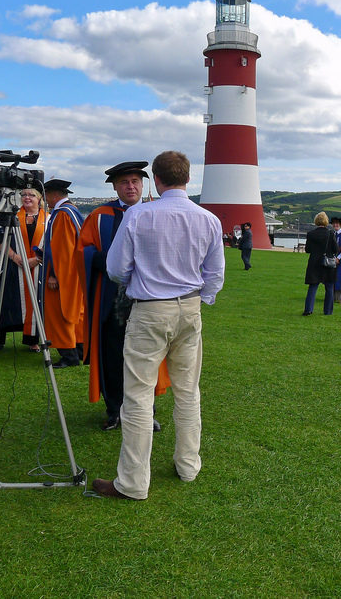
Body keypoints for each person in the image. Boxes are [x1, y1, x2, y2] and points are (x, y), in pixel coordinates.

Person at [94, 151, 225, 501]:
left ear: (157, 178)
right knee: (187, 390)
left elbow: (116, 268)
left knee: (137, 395)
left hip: (151, 309)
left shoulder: (138, 215)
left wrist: (142, 278)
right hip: (189, 308)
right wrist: (200, 299)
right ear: (186, 177)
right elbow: (215, 275)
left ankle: (134, 482)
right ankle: (188, 464)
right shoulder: (208, 219)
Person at [79, 161, 171, 431]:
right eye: (124, 182)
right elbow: (81, 252)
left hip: (147, 301)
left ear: (143, 185)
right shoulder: (100, 216)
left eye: (135, 182)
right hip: (110, 302)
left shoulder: (155, 212)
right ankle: (115, 410)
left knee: (147, 359)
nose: (130, 186)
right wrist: (107, 259)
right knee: (112, 357)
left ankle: (146, 412)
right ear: (115, 186)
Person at [0, 185, 46, 352]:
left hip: (37, 269)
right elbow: (0, 240)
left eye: (31, 195)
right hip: (13, 268)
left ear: (39, 198)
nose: (27, 198)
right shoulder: (12, 217)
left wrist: (37, 260)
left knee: (35, 305)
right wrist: (15, 257)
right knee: (5, 303)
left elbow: (53, 243)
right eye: (24, 195)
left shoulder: (48, 218)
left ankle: (32, 340)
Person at [41, 179, 85, 368]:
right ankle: (80, 350)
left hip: (63, 274)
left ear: (53, 195)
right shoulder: (72, 211)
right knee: (77, 312)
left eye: (46, 196)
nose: (45, 201)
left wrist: (54, 275)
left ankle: (69, 355)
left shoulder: (63, 215)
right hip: (74, 273)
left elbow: (62, 251)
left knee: (62, 312)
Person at [303, 211, 338, 316]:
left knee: (313, 287)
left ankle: (308, 309)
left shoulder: (310, 234)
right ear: (326, 221)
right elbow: (335, 249)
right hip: (327, 263)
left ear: (316, 221)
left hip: (314, 263)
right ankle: (328, 311)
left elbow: (307, 249)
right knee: (329, 288)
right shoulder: (330, 233)